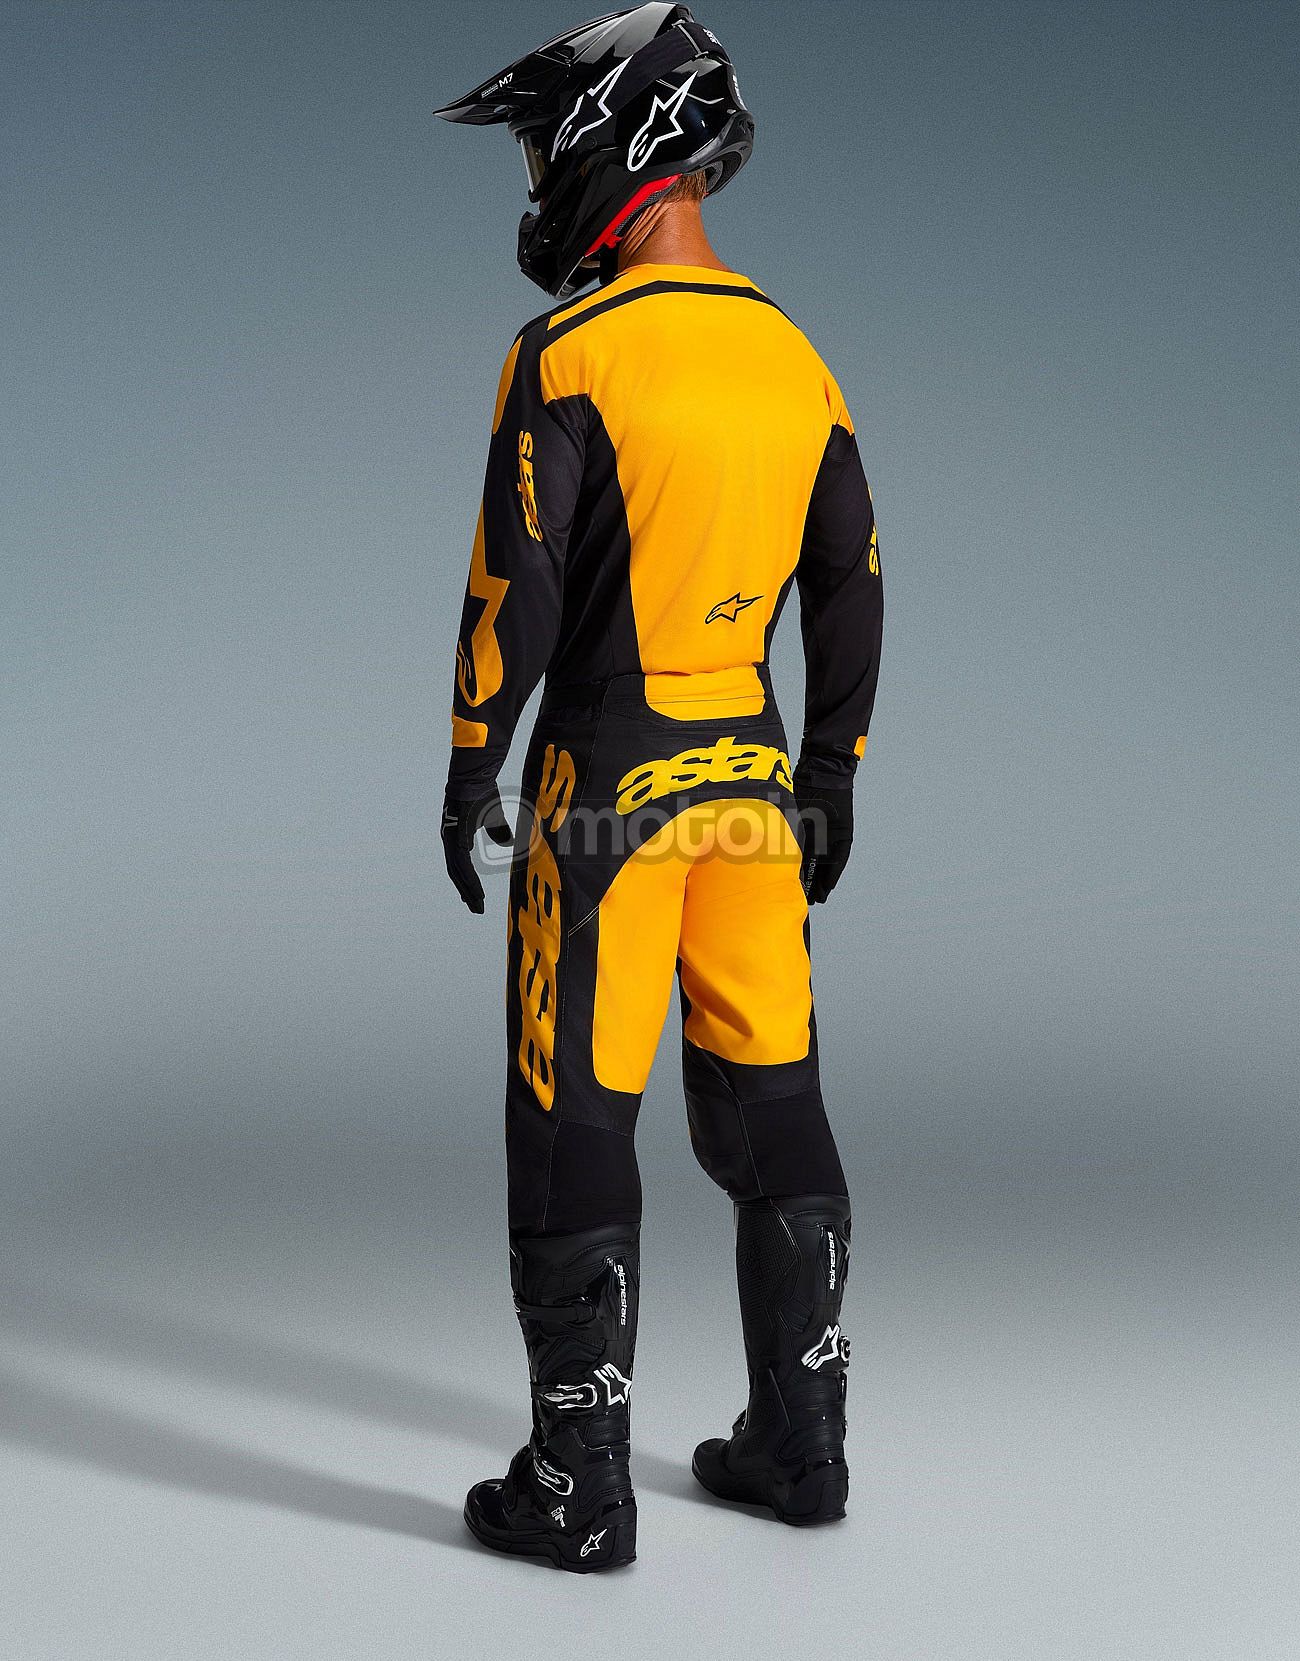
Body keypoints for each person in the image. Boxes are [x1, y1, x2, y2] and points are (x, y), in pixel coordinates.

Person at [435, 2, 882, 1572]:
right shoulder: (797, 357)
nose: (536, 183)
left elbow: (516, 589)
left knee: (573, 1110)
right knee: (776, 1096)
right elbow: (853, 585)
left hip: (608, 785)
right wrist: (833, 770)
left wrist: (469, 759)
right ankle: (803, 1446)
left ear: (607, 146)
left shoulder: (569, 354)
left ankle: (579, 1486)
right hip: (755, 780)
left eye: (541, 150)